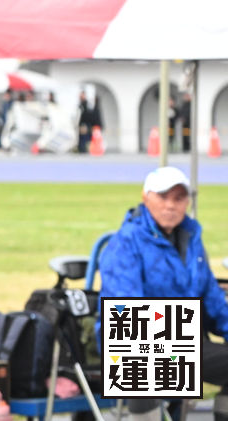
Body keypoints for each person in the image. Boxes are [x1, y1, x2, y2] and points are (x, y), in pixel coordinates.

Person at [98, 166, 228, 421]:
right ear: (146, 197)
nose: (170, 205)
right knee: (142, 364)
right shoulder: (126, 242)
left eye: (178, 198)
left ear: (187, 202)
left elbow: (213, 301)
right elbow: (125, 310)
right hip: (132, 343)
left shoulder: (192, 240)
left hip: (182, 340)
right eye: (163, 196)